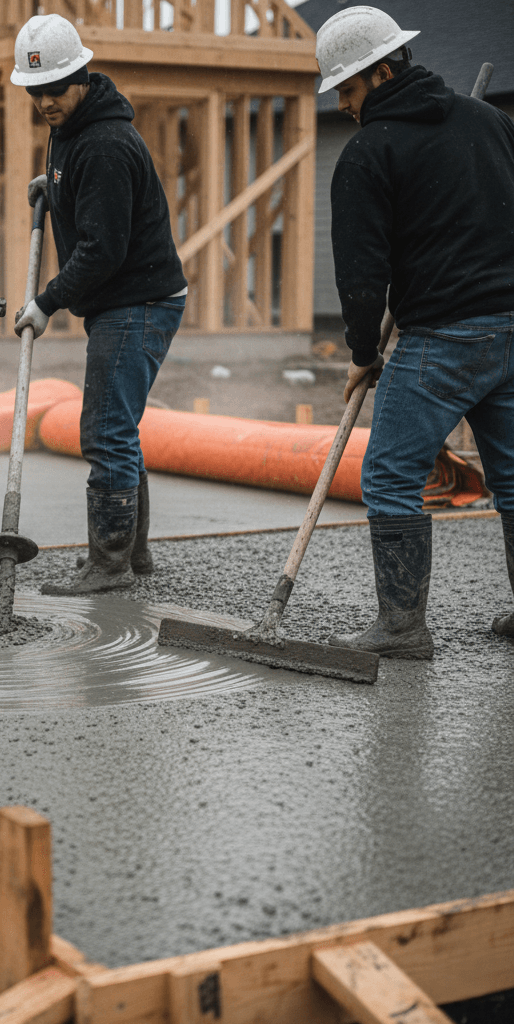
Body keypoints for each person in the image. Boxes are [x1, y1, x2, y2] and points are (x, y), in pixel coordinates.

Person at [316, 6, 514, 657]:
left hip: (442, 339)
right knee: (513, 477)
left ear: (381, 73)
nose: (342, 105)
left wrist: (363, 353)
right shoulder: (490, 122)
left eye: (347, 88)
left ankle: (402, 628)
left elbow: (360, 273)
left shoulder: (370, 151)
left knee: (392, 475)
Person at [10, 14, 188, 595]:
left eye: (55, 89)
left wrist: (46, 302)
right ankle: (132, 556)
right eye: (35, 92)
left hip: (137, 300)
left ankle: (109, 566)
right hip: (130, 297)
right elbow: (88, 188)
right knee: (119, 427)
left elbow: (102, 250)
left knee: (106, 430)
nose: (45, 101)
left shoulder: (106, 143)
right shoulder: (75, 124)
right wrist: (56, 188)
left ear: (82, 77)